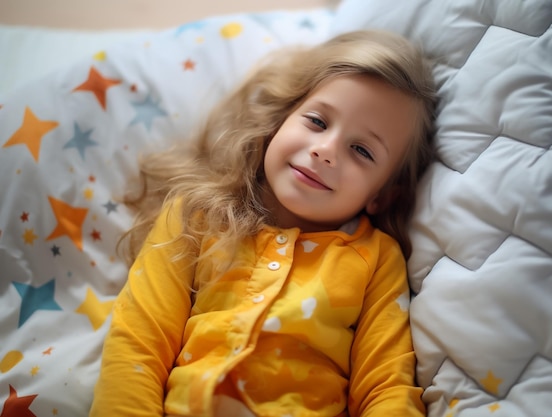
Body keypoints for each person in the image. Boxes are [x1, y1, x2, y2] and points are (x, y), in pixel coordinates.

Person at [89, 29, 437, 417]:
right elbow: (138, 343)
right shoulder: (198, 215)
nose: (324, 150)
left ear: (382, 195)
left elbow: (387, 388)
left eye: (361, 150)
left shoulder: (376, 259)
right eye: (318, 122)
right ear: (278, 121)